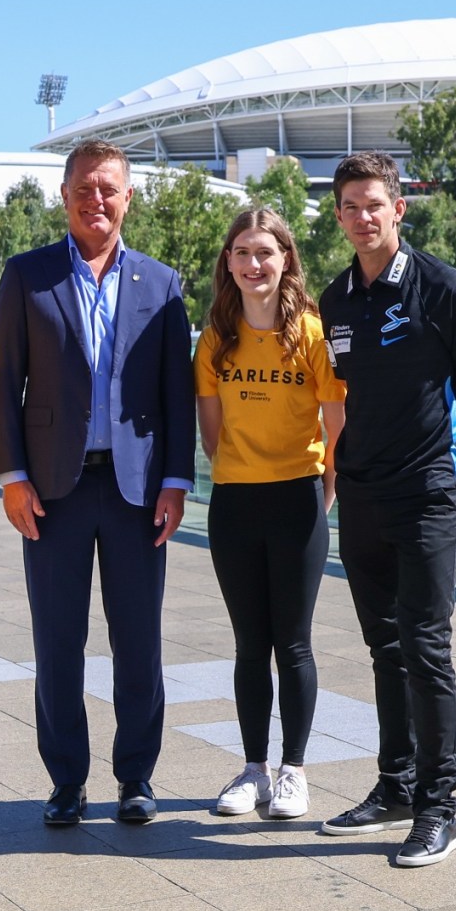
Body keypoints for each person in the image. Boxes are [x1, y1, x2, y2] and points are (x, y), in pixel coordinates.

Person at [0, 139, 194, 826]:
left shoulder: (161, 284)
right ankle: (66, 782)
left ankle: (136, 777)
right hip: (53, 490)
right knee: (58, 642)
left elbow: (176, 393)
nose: (95, 200)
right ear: (65, 194)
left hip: (138, 493)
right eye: (84, 187)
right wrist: (12, 477)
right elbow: (3, 380)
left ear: (127, 197)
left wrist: (175, 482)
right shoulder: (27, 276)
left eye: (108, 188)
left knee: (139, 642)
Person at [315, 151, 456, 867]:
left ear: (399, 209)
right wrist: (335, 479)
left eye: (374, 204)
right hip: (362, 492)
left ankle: (438, 808)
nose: (363, 217)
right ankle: (394, 786)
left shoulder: (445, 288)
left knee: (426, 647)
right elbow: (340, 398)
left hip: (426, 491)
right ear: (338, 218)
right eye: (350, 207)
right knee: (383, 647)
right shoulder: (335, 300)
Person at [195, 209, 344, 819]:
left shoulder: (310, 333)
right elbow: (212, 433)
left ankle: (295, 772)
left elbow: (336, 426)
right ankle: (253, 770)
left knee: (295, 643)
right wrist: (243, 470)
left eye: (265, 253)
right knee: (249, 644)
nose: (254, 265)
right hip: (235, 501)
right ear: (227, 263)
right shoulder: (216, 338)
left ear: (286, 259)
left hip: (297, 499)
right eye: (242, 253)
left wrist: (323, 493)